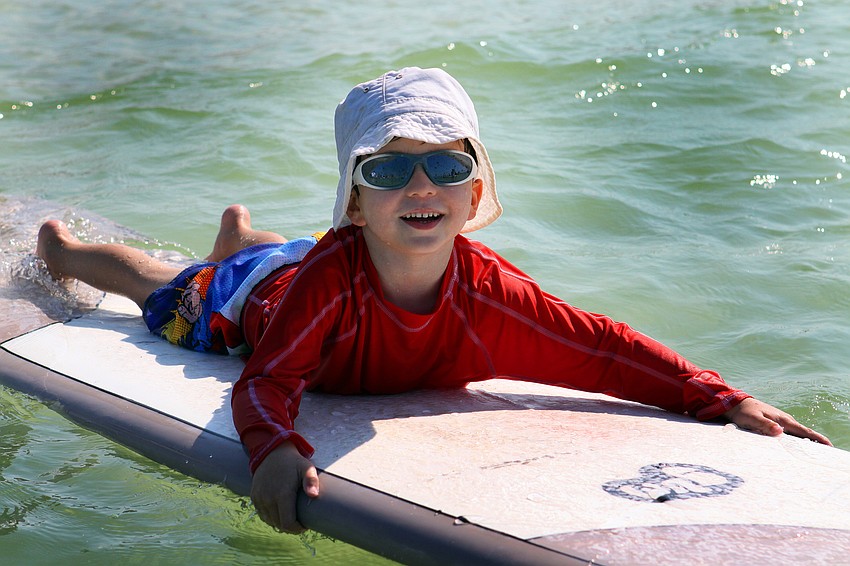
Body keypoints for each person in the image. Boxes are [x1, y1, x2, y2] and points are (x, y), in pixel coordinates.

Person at [36, 67, 832, 535]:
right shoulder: (329, 285)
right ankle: (70, 250)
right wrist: (273, 446)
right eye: (387, 171)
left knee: (259, 253)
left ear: (474, 186)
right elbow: (268, 380)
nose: (421, 187)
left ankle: (241, 232)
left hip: (294, 263)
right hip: (264, 297)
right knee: (171, 291)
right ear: (353, 199)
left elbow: (604, 349)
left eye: (446, 169)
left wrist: (719, 397)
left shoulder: (491, 295)